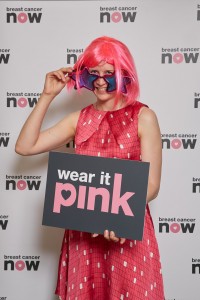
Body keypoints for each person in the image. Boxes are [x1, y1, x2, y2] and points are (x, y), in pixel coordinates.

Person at [15, 36, 164, 299]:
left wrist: (116, 216)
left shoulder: (144, 117)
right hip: (84, 234)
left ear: (125, 75)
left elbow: (151, 185)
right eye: (93, 73)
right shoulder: (79, 119)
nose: (99, 80)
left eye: (109, 73)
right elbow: (26, 146)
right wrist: (48, 95)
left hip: (126, 231)